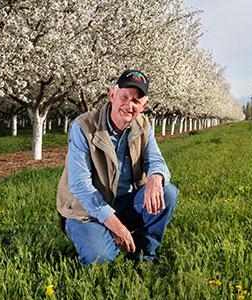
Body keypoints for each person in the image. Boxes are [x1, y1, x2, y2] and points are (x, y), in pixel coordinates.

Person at [57, 70, 178, 266]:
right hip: (85, 210)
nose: (128, 105)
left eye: (136, 101)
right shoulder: (83, 126)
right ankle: (103, 236)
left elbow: (156, 159)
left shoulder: (144, 125)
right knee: (100, 259)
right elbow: (80, 185)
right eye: (124, 97)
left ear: (144, 105)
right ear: (112, 95)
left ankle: (143, 254)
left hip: (123, 203)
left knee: (167, 193)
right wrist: (116, 226)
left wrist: (156, 176)